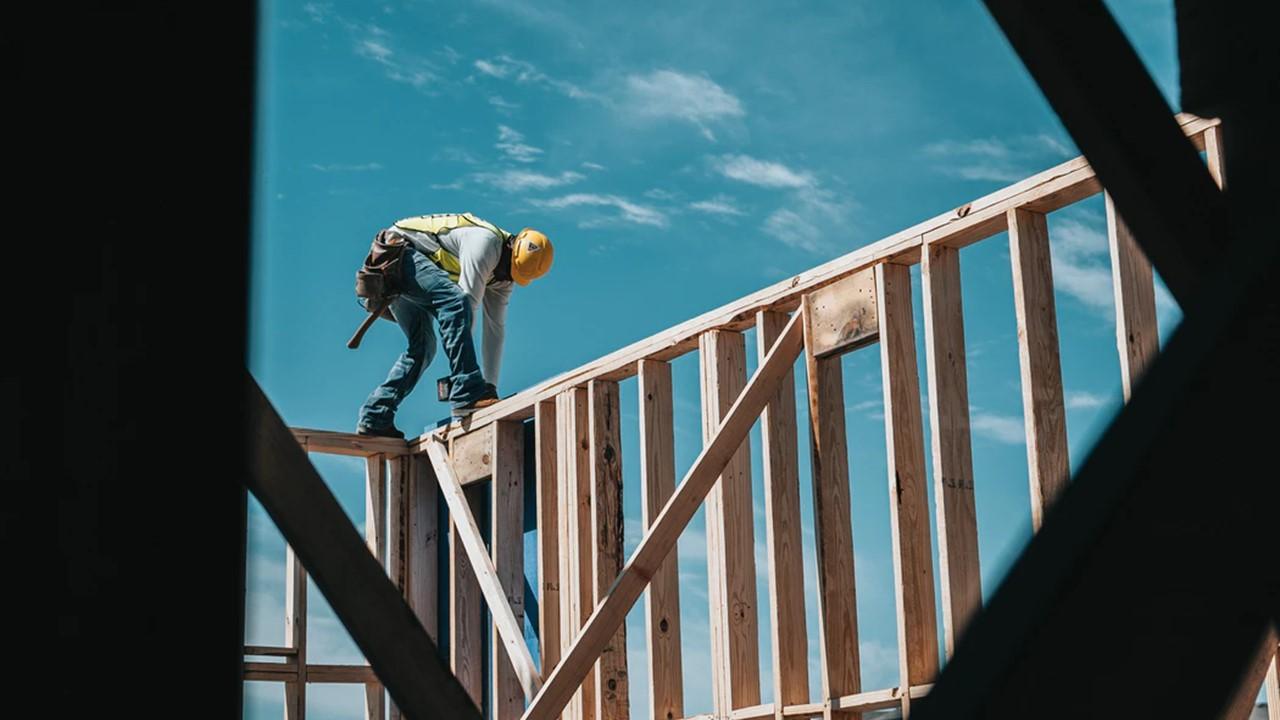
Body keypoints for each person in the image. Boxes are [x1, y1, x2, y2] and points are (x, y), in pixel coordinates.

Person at [356, 212, 553, 438]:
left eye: (512, 275)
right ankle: (466, 390)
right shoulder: (485, 243)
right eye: (507, 270)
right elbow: (466, 306)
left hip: (410, 268)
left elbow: (495, 330)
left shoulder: (503, 277)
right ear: (510, 247)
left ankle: (375, 415)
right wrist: (469, 388)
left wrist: (490, 388)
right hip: (397, 254)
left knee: (423, 348)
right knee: (455, 302)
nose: (505, 277)